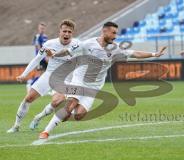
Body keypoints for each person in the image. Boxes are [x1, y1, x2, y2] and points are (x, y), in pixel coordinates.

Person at [39, 21, 167, 139]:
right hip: (79, 80)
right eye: (113, 33)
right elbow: (67, 50)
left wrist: (154, 54)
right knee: (71, 104)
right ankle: (46, 132)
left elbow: (134, 53)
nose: (115, 36)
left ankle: (64, 111)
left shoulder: (116, 48)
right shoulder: (88, 44)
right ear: (104, 31)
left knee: (78, 115)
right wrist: (55, 55)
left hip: (94, 87)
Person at [7, 19, 80, 133]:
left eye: (69, 32)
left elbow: (68, 51)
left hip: (65, 79)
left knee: (56, 102)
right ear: (59, 32)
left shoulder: (77, 43)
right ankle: (16, 125)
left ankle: (38, 117)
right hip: (49, 75)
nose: (66, 34)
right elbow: (36, 59)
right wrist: (23, 74)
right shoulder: (49, 44)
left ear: (72, 33)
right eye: (64, 31)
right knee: (28, 98)